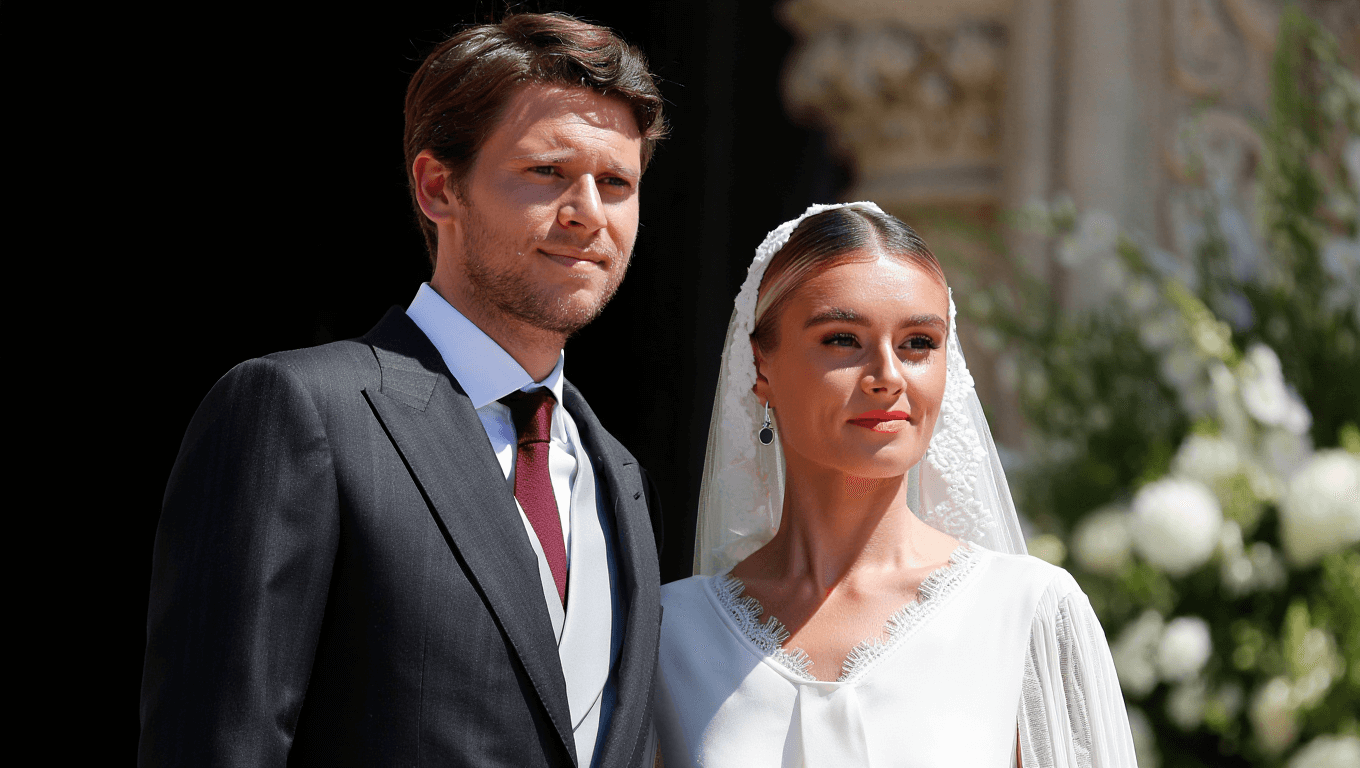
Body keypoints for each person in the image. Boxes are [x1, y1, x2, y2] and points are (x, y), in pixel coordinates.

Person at [140, 13, 667, 767]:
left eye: (616, 182)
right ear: (437, 187)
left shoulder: (620, 475)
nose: (588, 212)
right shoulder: (300, 412)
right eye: (547, 172)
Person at [654, 203, 1137, 767]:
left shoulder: (1029, 614)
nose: (887, 376)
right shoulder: (671, 636)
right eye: (842, 339)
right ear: (762, 367)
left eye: (918, 343)